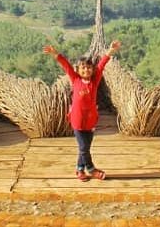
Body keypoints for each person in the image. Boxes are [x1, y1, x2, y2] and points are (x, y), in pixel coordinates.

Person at [43, 39, 121, 181]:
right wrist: (55, 54)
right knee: (84, 147)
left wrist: (111, 51)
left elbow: (101, 65)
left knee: (84, 148)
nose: (86, 70)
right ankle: (91, 169)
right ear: (78, 70)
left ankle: (79, 170)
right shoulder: (75, 80)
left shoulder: (94, 81)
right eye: (83, 68)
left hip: (90, 121)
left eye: (89, 68)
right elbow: (66, 66)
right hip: (77, 121)